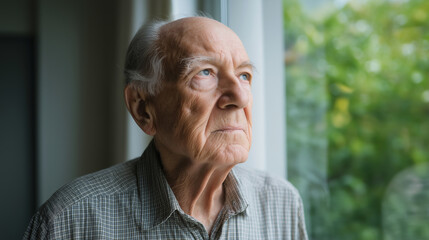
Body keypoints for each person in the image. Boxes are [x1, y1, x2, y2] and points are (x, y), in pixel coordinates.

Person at [23, 16, 308, 239]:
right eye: (205, 73)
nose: (240, 97)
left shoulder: (280, 203)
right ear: (143, 108)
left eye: (244, 75)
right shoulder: (70, 220)